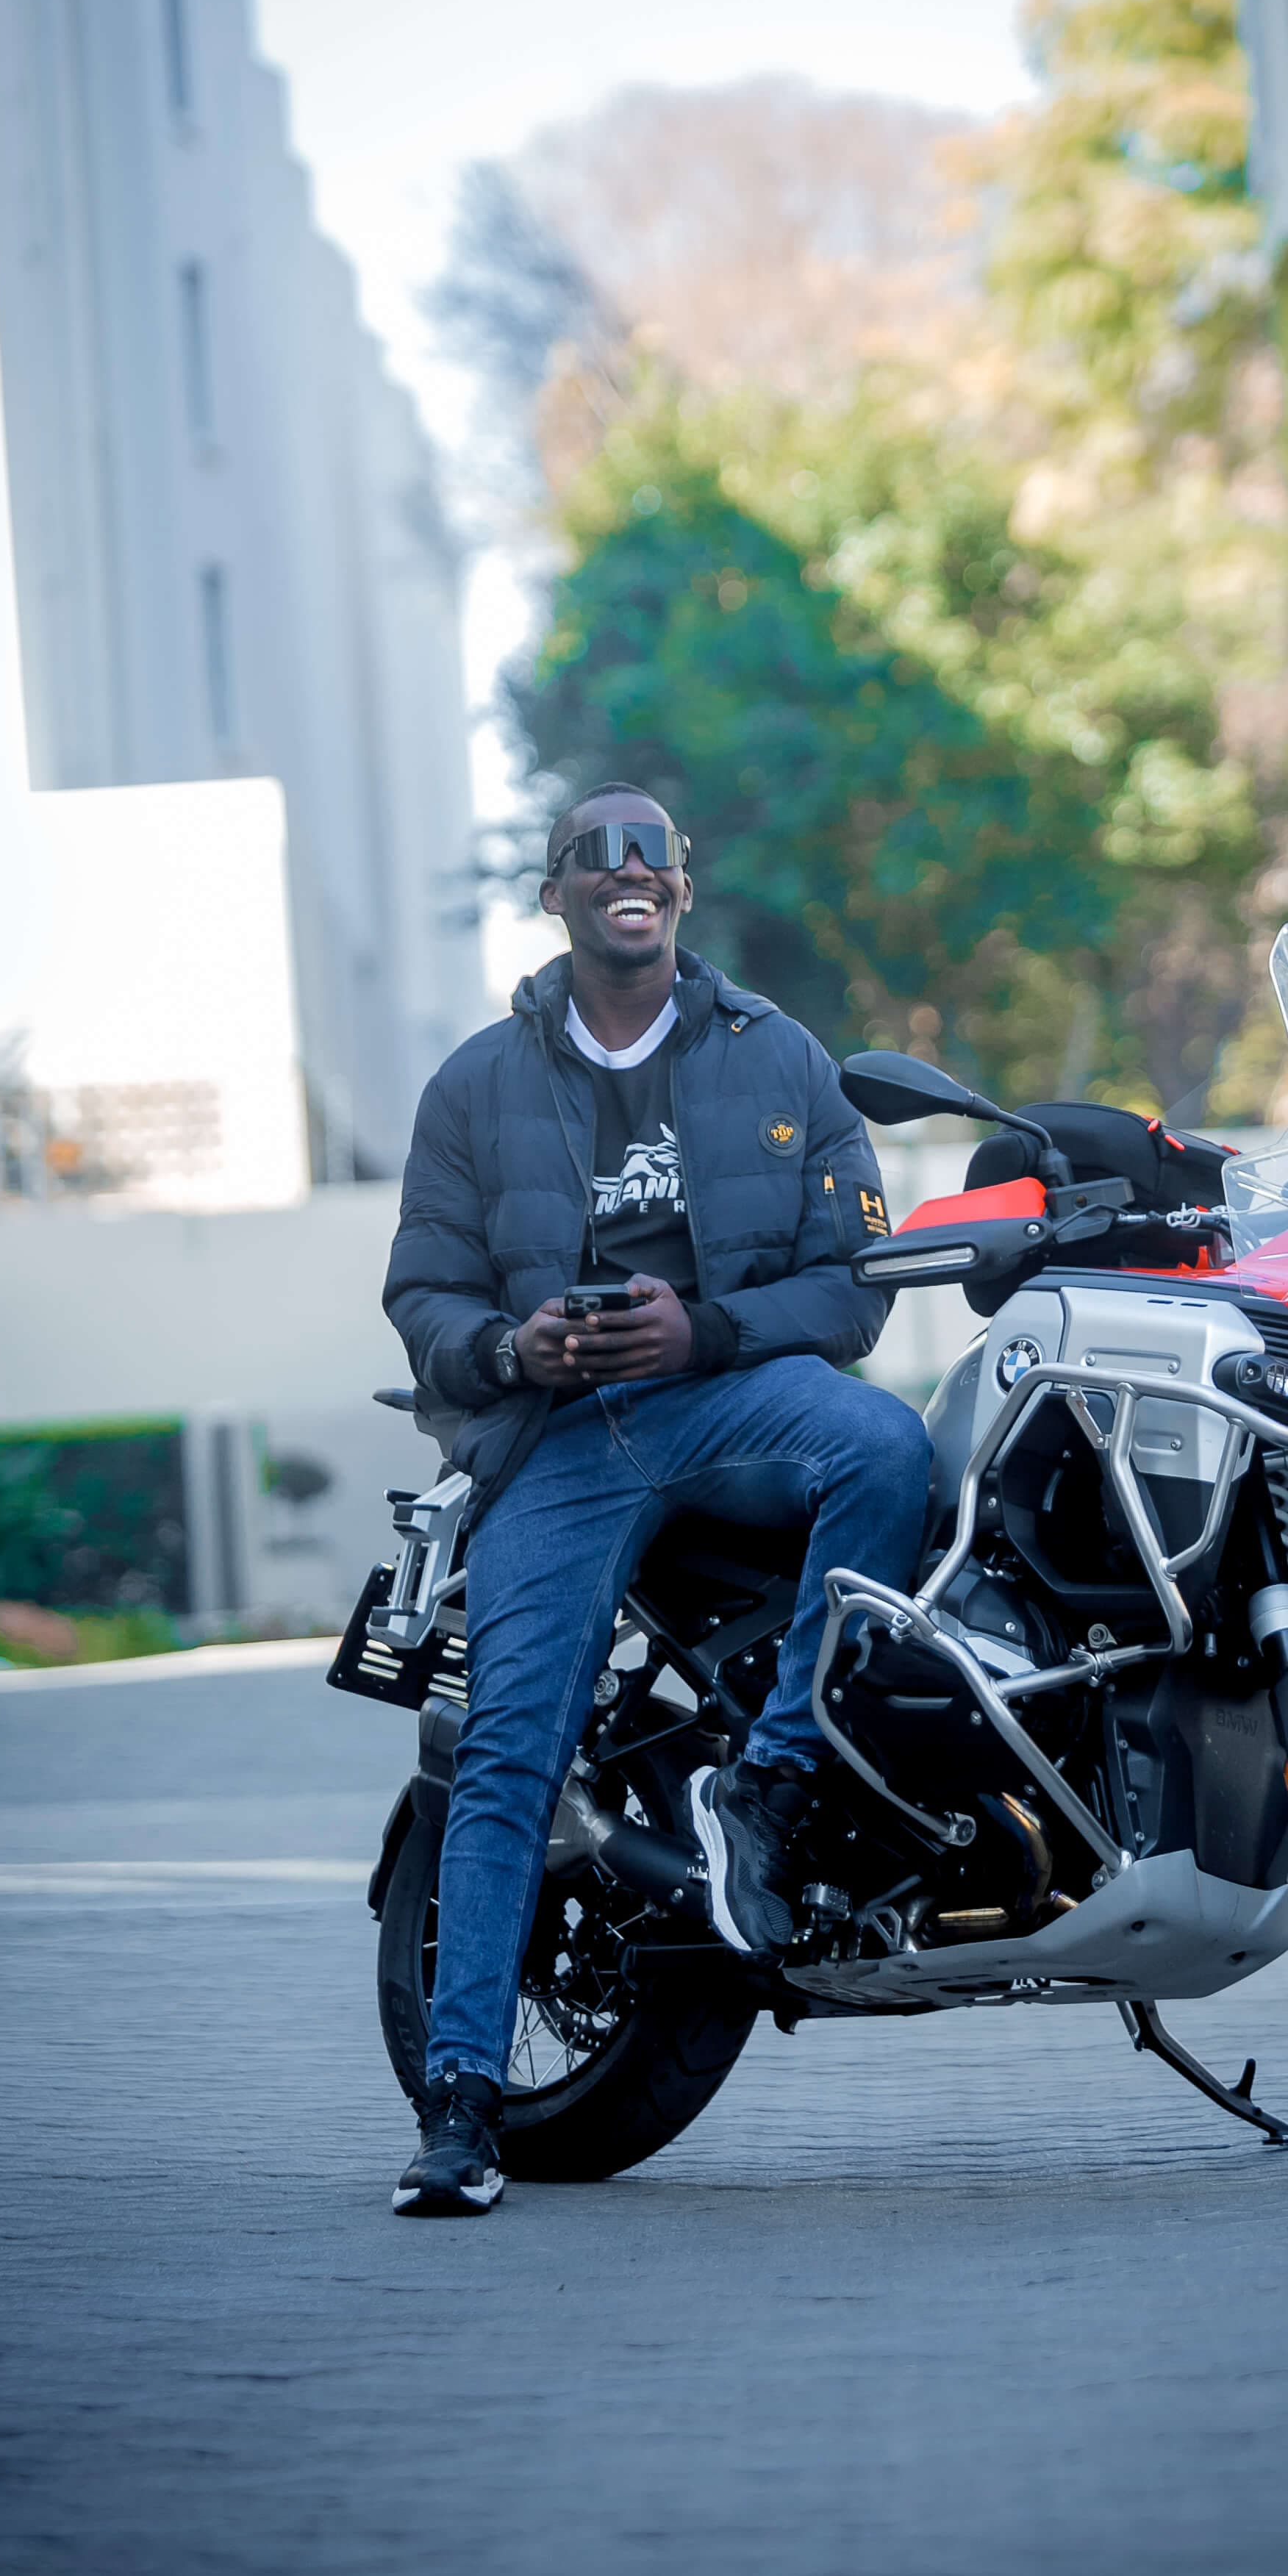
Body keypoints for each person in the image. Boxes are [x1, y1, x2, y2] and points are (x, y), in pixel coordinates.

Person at [382, 781, 933, 2215]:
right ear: (557, 894)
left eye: (652, 855)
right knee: (509, 1751)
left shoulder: (783, 1058)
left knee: (887, 1451)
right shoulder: (473, 1087)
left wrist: (709, 1333)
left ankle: (775, 1782)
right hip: (561, 1437)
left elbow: (856, 1285)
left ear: (682, 891)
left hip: (729, 1392)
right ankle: (459, 2109)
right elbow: (424, 1294)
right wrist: (516, 1346)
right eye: (594, 854)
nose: (627, 871)